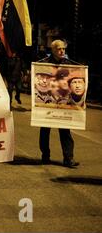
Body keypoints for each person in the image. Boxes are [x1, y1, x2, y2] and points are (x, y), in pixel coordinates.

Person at [37, 39, 79, 168]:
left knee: (65, 130)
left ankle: (68, 158)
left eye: (64, 49)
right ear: (53, 50)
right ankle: (45, 156)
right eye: (59, 49)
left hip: (63, 104)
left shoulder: (69, 64)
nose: (62, 51)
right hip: (48, 103)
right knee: (45, 129)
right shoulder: (43, 64)